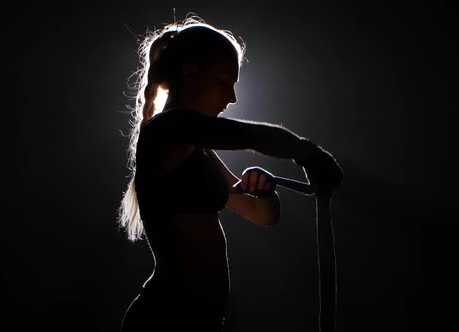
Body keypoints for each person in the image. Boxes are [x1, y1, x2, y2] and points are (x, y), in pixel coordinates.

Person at [117, 14, 343, 332]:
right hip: (164, 321)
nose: (231, 98)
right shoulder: (165, 130)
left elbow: (263, 215)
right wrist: (307, 152)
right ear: (191, 74)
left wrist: (261, 191)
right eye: (224, 82)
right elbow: (246, 136)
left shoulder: (200, 152)